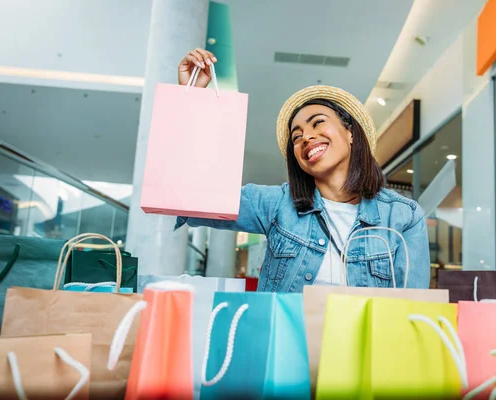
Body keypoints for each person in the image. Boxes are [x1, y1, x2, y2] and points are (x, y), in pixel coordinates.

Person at [174, 48, 430, 292]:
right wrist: (194, 101)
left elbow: (410, 311)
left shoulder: (403, 217)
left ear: (351, 133)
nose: (306, 137)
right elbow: (192, 197)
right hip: (285, 338)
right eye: (296, 137)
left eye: (318, 123)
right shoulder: (277, 205)